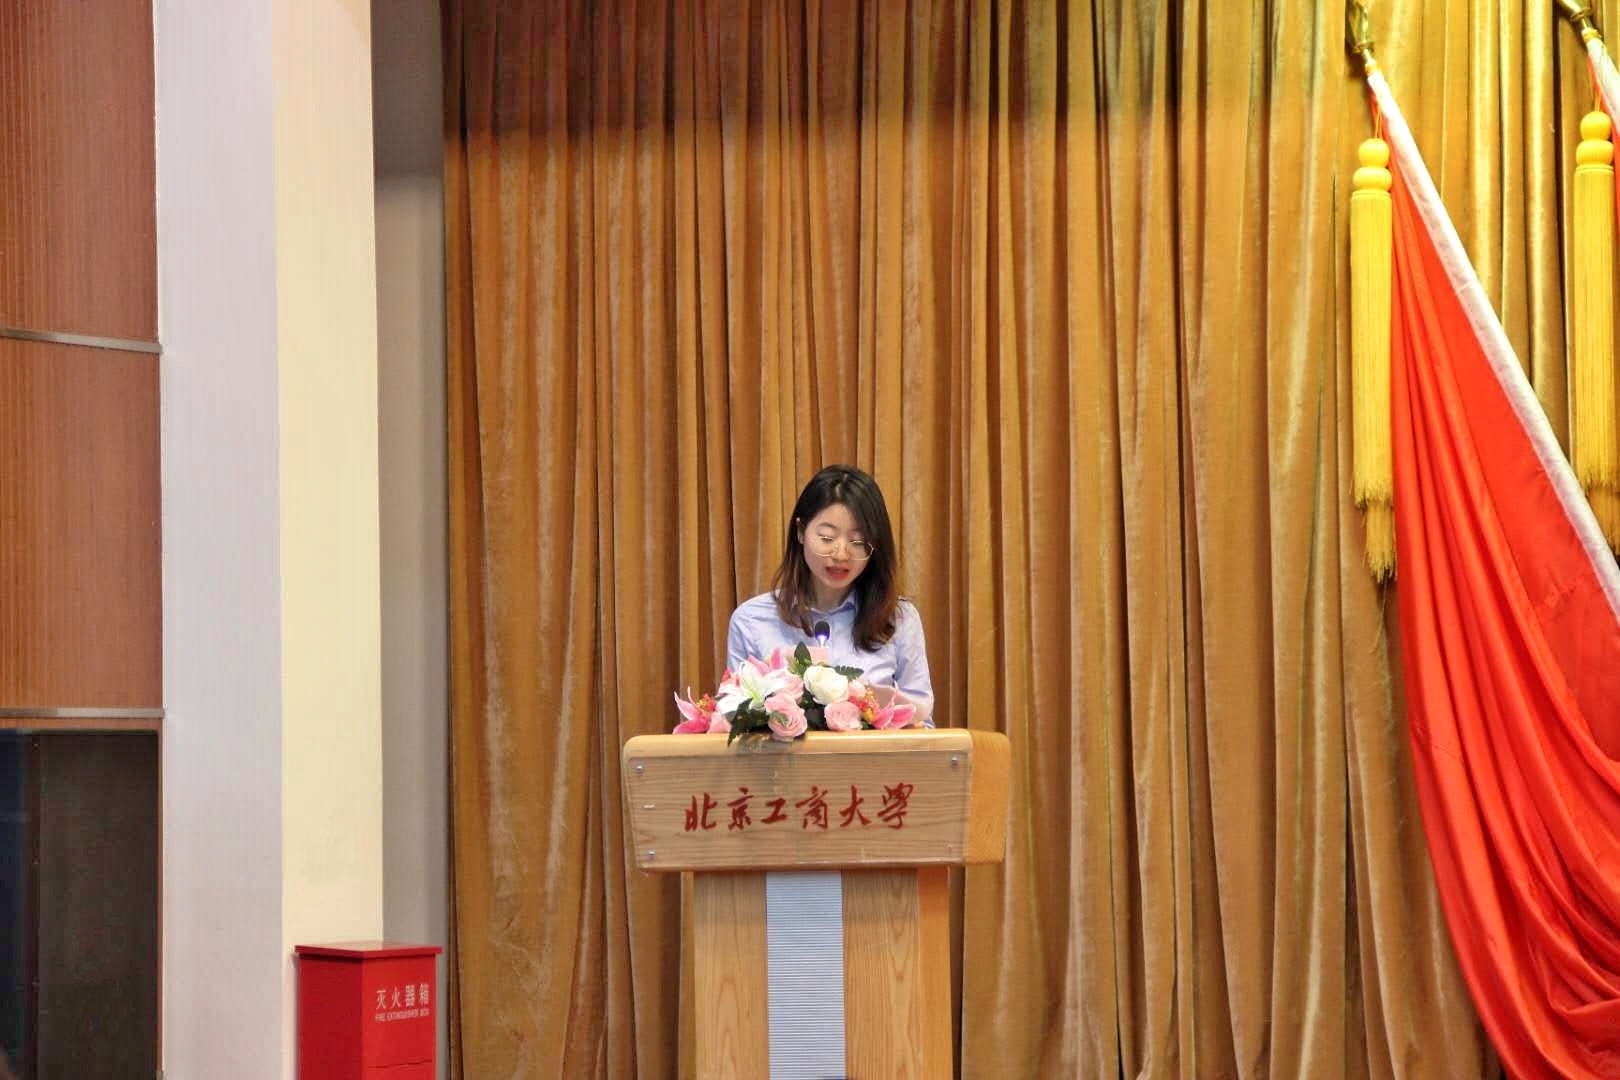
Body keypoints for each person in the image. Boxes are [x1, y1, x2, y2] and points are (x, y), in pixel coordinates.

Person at [726, 465, 935, 726]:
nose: (841, 554)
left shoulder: (899, 619)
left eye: (857, 542)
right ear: (801, 531)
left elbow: (923, 726)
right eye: (827, 538)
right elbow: (737, 722)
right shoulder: (751, 621)